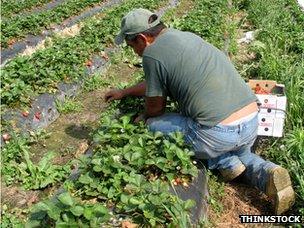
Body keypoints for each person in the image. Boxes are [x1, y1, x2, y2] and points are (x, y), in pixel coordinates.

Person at [104, 8, 295, 215]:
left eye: (131, 45)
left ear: (142, 38)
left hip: (217, 133)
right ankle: (265, 172)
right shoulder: (186, 37)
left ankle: (223, 160)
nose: (134, 51)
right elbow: (155, 82)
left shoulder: (152, 54)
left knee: (153, 124)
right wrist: (125, 92)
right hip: (250, 121)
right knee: (240, 152)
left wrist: (143, 117)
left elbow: (155, 108)